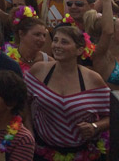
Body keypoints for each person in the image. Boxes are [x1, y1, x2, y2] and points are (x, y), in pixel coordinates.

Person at [25, 24, 110, 160]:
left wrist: (95, 126)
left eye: (64, 42)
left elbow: (113, 115)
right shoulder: (39, 71)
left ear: (79, 50)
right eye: (56, 40)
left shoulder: (92, 80)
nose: (57, 45)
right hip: (42, 152)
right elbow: (25, 102)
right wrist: (29, 131)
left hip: (81, 153)